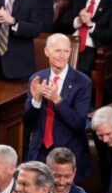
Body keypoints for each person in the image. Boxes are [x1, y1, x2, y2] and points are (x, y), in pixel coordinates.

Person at [23, 34, 92, 181]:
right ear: (47, 51)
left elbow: (79, 124)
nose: (62, 56)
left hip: (67, 154)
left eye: (66, 51)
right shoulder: (37, 78)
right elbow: (28, 122)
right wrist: (36, 101)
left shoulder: (82, 83)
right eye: (57, 51)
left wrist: (57, 100)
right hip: (39, 152)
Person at [57, 0, 112, 76]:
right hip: (69, 45)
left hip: (90, 48)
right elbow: (61, 25)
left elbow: (110, 35)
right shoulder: (77, 1)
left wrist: (90, 24)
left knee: (78, 72)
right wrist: (78, 21)